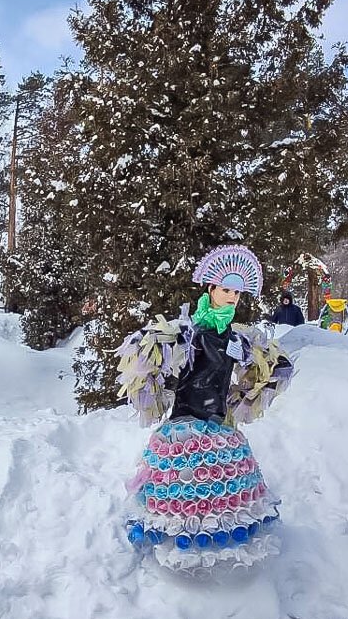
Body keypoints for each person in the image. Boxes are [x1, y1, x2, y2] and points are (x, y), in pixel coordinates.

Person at [118, 245, 281, 574]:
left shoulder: (238, 336)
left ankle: (217, 564)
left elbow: (275, 368)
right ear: (210, 288)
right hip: (186, 423)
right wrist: (156, 390)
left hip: (219, 421)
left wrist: (244, 385)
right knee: (183, 489)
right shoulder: (188, 331)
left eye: (238, 292)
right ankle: (175, 558)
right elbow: (145, 351)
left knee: (219, 495)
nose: (232, 297)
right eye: (226, 290)